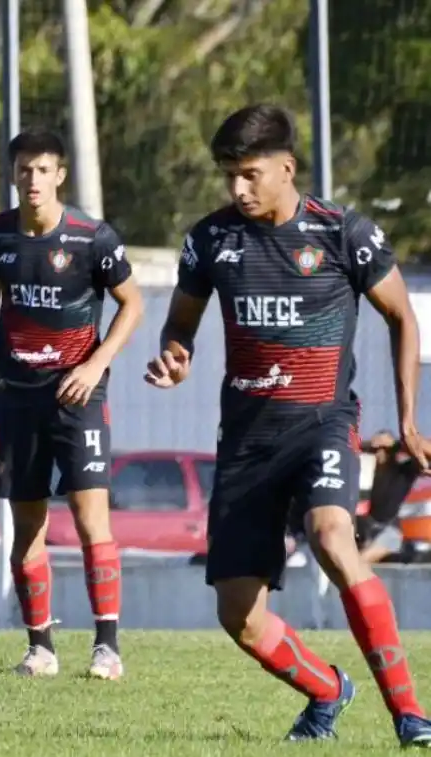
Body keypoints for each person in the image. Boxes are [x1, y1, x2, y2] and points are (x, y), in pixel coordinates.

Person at [145, 103, 431, 746]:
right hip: (246, 441)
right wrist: (174, 354)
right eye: (228, 176)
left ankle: (410, 714)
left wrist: (409, 418)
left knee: (334, 538)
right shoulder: (210, 240)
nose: (237, 189)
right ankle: (329, 691)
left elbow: (402, 317)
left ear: (286, 168)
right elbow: (179, 324)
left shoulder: (342, 233)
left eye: (249, 174)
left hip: (323, 424)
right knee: (239, 616)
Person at [0, 129, 144, 681]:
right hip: (19, 401)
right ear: (14, 175)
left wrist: (94, 365)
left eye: (43, 170)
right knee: (27, 531)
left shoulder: (94, 239)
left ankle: (107, 648)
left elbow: (132, 304)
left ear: (60, 175)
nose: (33, 180)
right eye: (24, 170)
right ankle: (41, 648)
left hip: (80, 400)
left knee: (94, 522)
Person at [358, 430, 426, 565]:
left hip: (389, 531)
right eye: (376, 450)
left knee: (358, 562)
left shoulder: (403, 471)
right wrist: (372, 444)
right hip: (364, 528)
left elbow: (424, 453)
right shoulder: (365, 469)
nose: (380, 453)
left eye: (385, 450)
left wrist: (397, 444)